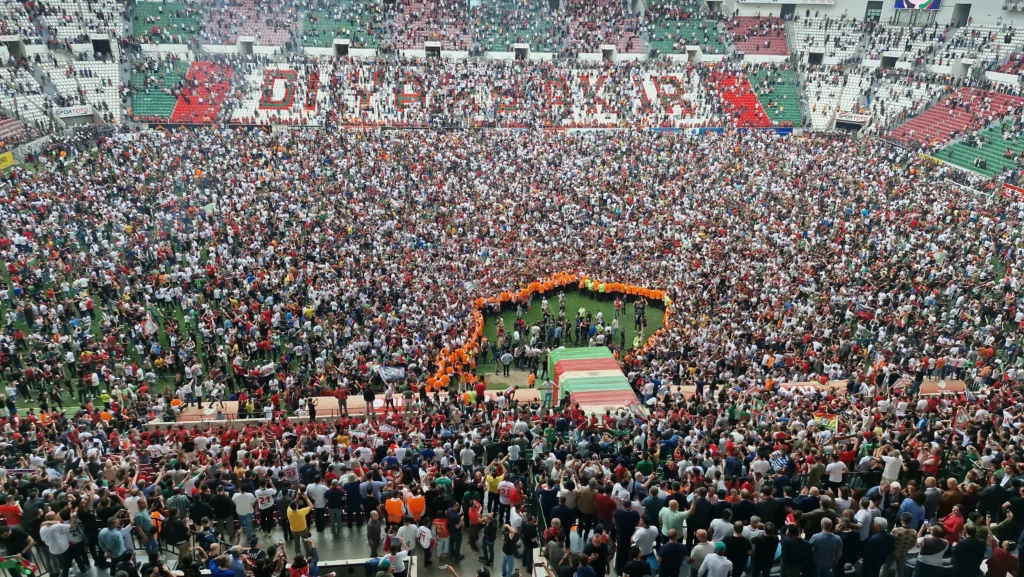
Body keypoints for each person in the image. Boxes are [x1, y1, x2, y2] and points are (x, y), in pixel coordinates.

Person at [287, 491, 314, 557]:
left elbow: (290, 504)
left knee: (296, 543)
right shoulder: (301, 512)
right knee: (306, 542)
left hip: (294, 530)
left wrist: (296, 498)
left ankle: (298, 554)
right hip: (303, 529)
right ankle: (308, 555)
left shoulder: (289, 511)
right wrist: (306, 498)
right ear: (297, 506)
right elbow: (311, 506)